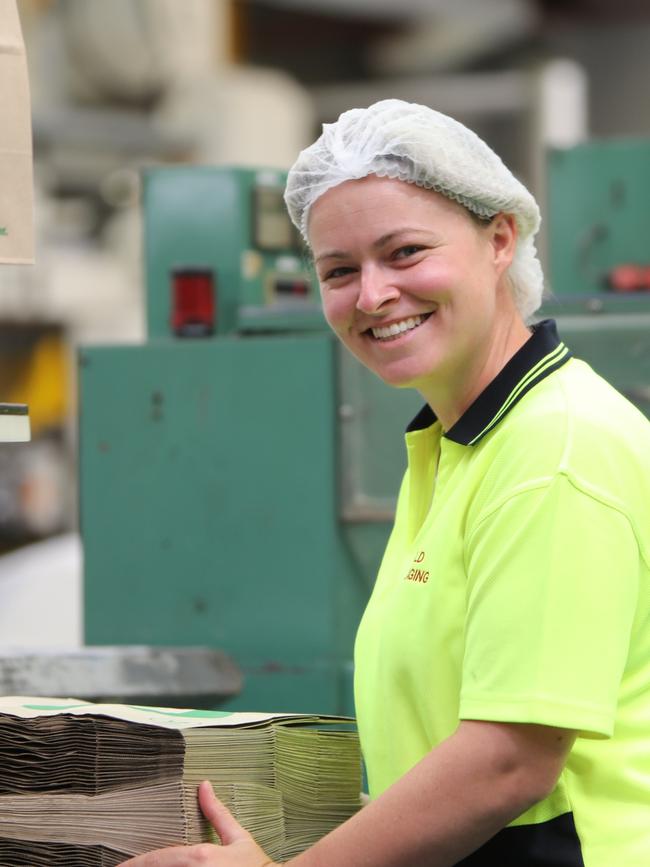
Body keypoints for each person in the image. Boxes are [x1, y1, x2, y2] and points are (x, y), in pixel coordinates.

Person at [120, 100, 650, 867]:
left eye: (404, 252)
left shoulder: (554, 450)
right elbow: (443, 745)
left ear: (500, 237)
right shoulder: (458, 447)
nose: (371, 296)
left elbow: (508, 762)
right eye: (339, 270)